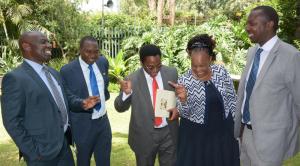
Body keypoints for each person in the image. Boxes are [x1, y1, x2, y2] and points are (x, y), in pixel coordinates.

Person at [234, 6, 300, 166]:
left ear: (270, 25)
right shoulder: (252, 52)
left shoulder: (290, 56)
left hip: (271, 142)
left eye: (252, 24)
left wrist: (290, 136)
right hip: (244, 135)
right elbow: (245, 92)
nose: (247, 28)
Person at [1, 31, 75, 166]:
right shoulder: (15, 78)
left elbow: (65, 99)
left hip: (64, 147)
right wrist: (34, 152)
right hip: (42, 155)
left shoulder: (53, 73)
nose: (49, 45)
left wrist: (83, 103)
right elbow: (12, 121)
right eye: (43, 42)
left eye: (48, 42)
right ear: (26, 46)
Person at [169, 34, 239, 166]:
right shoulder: (185, 80)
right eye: (194, 66)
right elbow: (184, 113)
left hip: (222, 134)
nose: (198, 70)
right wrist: (183, 100)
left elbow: (232, 100)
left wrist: (237, 128)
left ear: (210, 59)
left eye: (202, 66)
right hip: (196, 138)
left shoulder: (221, 72)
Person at [114, 44, 179, 166]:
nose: (155, 71)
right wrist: (126, 94)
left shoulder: (171, 73)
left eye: (158, 66)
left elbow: (178, 98)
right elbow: (119, 107)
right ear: (141, 63)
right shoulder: (132, 79)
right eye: (150, 67)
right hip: (144, 136)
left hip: (168, 133)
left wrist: (178, 105)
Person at [60, 36, 111, 166]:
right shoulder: (67, 71)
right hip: (82, 126)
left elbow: (104, 87)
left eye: (96, 51)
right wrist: (82, 103)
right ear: (80, 50)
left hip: (103, 123)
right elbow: (68, 98)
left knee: (104, 161)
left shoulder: (102, 62)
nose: (93, 55)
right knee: (83, 161)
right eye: (88, 51)